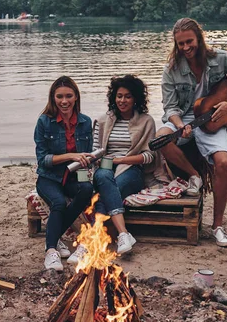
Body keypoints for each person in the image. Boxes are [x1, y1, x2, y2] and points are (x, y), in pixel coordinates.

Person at [156, 18, 227, 247]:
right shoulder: (171, 69)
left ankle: (218, 226)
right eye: (180, 44)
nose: (185, 48)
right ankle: (195, 176)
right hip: (184, 117)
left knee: (223, 162)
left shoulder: (221, 59)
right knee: (160, 138)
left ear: (199, 38)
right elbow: (170, 107)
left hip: (215, 118)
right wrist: (179, 124)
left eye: (189, 41)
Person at [81, 75, 157, 258]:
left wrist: (121, 160)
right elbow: (94, 153)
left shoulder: (146, 121)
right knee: (103, 177)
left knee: (105, 191)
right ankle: (123, 234)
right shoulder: (103, 120)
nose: (122, 100)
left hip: (132, 169)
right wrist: (104, 162)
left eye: (128, 96)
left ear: (136, 99)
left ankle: (87, 241)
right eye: (119, 96)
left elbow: (149, 156)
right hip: (105, 167)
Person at [34, 76, 95, 271]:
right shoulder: (44, 122)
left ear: (76, 97)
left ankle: (54, 235)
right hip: (49, 177)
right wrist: (71, 155)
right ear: (53, 98)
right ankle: (51, 250)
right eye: (59, 96)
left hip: (74, 176)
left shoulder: (85, 122)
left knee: (87, 189)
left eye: (69, 96)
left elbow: (86, 156)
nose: (64, 101)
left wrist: (87, 160)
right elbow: (43, 159)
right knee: (58, 202)